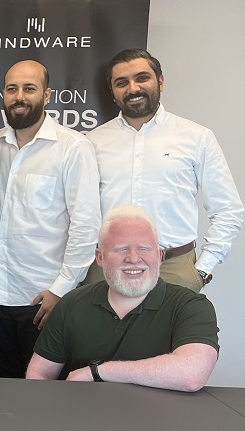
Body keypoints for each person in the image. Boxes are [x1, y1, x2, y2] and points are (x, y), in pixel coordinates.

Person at [86, 48, 243, 291]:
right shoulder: (92, 142)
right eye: (122, 82)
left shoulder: (196, 137)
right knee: (98, 331)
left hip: (173, 269)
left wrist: (201, 269)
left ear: (160, 81)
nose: (133, 88)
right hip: (107, 269)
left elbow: (228, 210)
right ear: (113, 91)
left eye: (142, 78)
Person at [0, 60, 100, 378]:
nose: (19, 96)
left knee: (48, 398)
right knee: (1, 388)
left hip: (43, 300)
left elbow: (86, 226)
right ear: (2, 95)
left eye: (29, 88)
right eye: (12, 89)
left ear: (47, 95)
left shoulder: (72, 147)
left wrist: (61, 290)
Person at [27, 206, 219, 392]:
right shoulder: (72, 303)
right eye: (121, 249)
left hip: (161, 421)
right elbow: (39, 373)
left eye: (144, 249)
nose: (133, 258)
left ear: (159, 256)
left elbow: (192, 375)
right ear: (100, 257)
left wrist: (96, 372)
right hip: (82, 418)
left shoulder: (191, 306)